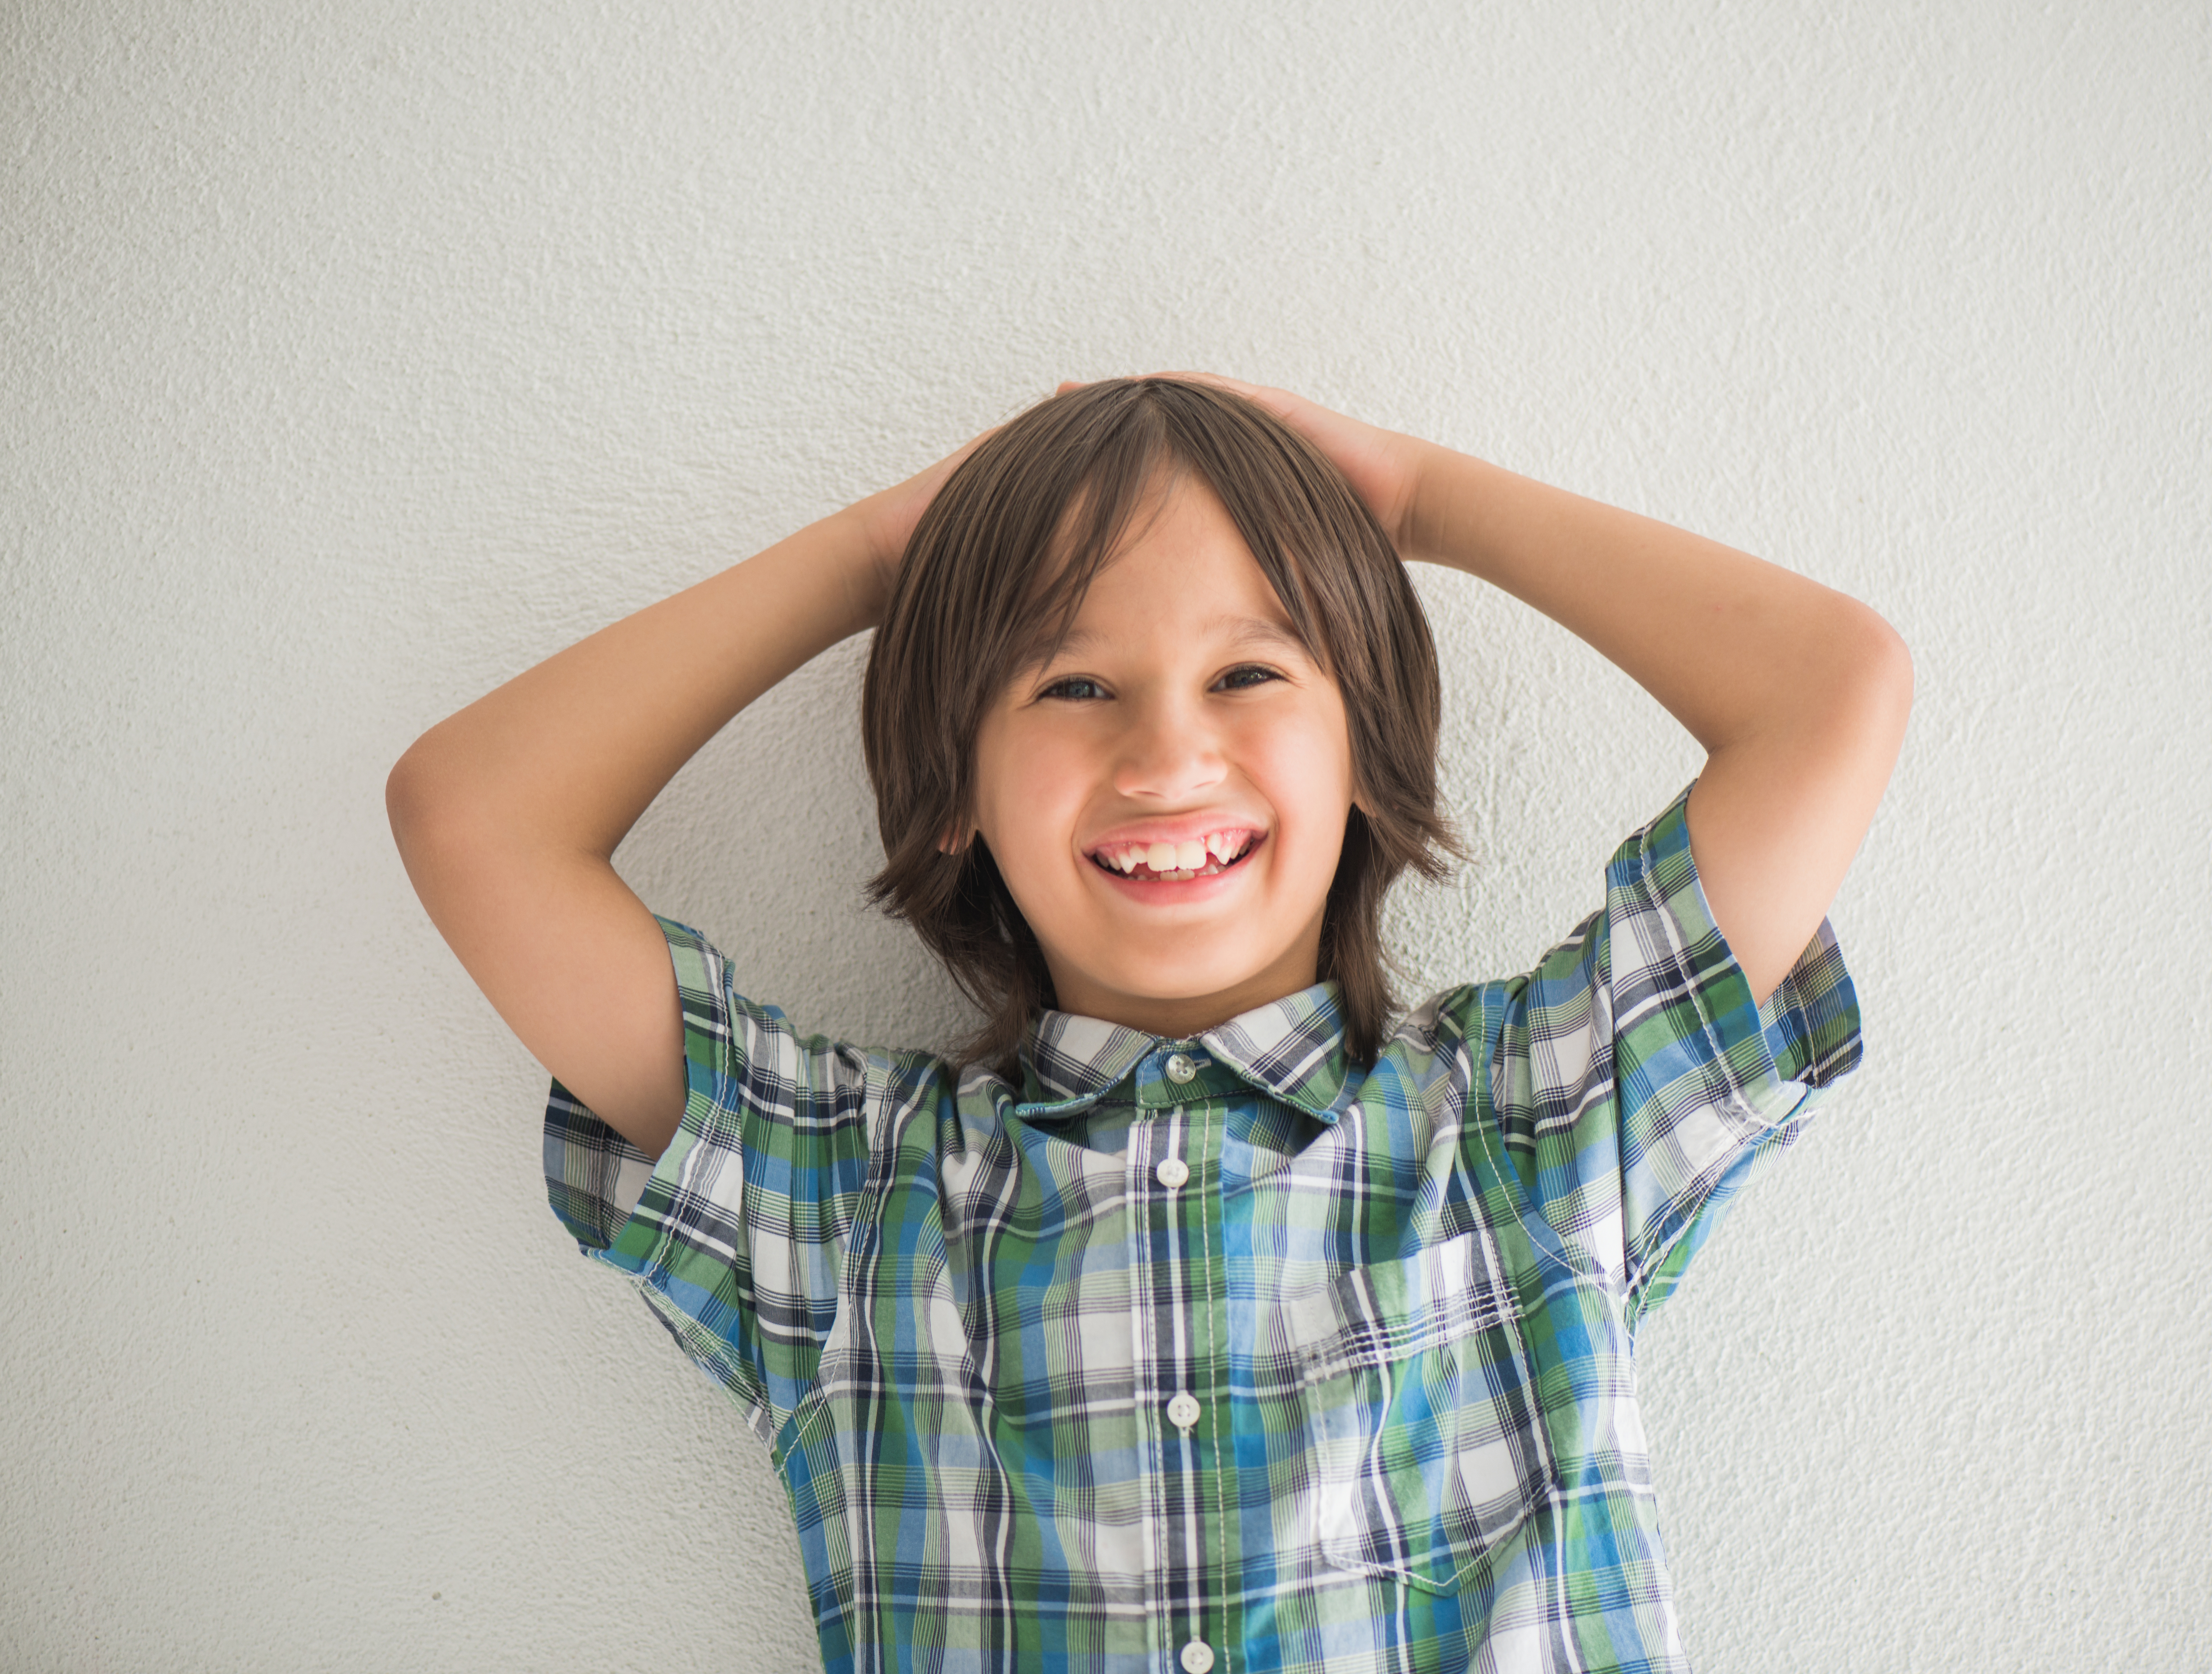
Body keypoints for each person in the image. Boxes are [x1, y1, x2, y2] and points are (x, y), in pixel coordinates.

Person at [386, 374, 1911, 1674]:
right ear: (953, 795)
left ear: (1368, 749)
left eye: (1248, 669)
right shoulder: (847, 1198)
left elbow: (1832, 687)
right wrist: (886, 557)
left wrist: (1420, 493)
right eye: (1070, 681)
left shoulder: (1536, 1127)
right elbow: (476, 816)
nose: (1168, 753)